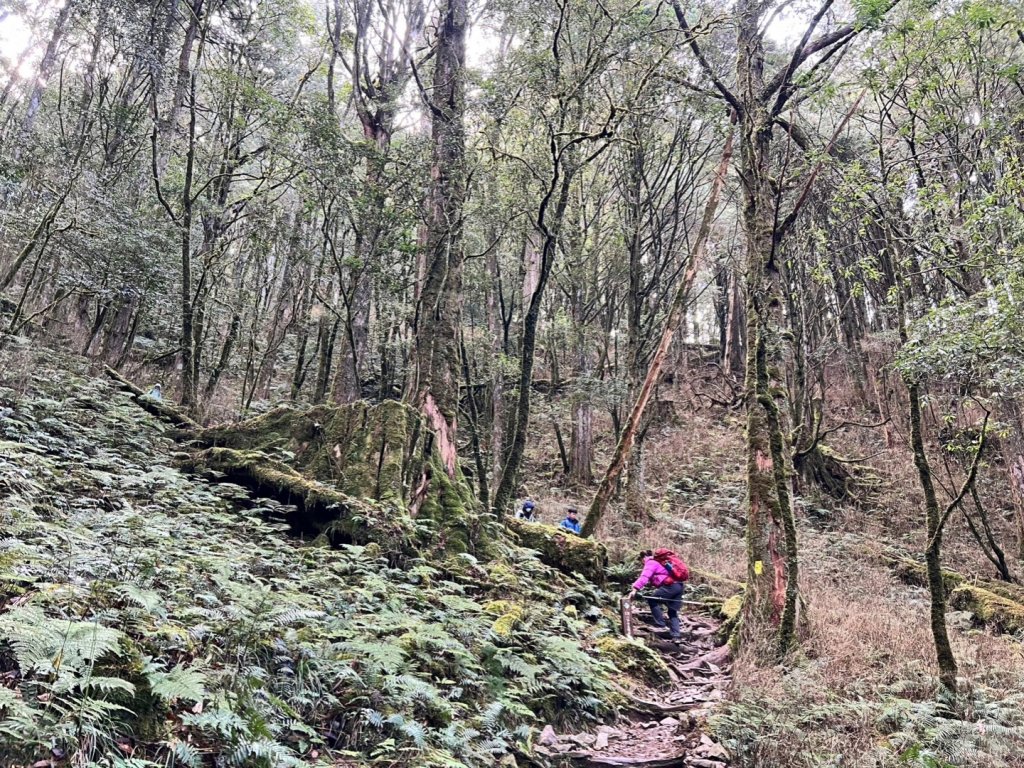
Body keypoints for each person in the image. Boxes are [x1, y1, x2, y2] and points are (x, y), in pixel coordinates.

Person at [630, 549, 683, 641]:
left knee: (652, 600)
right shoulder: (660, 562)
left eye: (641, 561)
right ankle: (676, 636)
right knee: (672, 612)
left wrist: (635, 589)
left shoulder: (651, 562)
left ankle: (660, 624)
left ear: (643, 558)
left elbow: (645, 576)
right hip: (679, 586)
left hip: (670, 586)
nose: (642, 563)